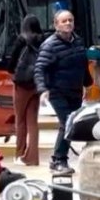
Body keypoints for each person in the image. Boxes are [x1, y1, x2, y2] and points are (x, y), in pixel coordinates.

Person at [33, 10, 91, 175]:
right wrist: (43, 90)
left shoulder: (78, 41)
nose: (68, 23)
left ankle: (57, 158)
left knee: (69, 124)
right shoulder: (49, 45)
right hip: (58, 92)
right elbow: (39, 68)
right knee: (68, 123)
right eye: (64, 21)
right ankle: (59, 159)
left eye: (70, 20)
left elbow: (83, 64)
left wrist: (87, 84)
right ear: (56, 25)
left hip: (76, 91)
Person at [8, 14, 44, 166]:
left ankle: (19, 154)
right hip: (36, 85)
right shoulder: (43, 40)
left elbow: (11, 64)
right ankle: (33, 157)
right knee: (32, 122)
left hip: (21, 85)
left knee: (20, 120)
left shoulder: (21, 40)